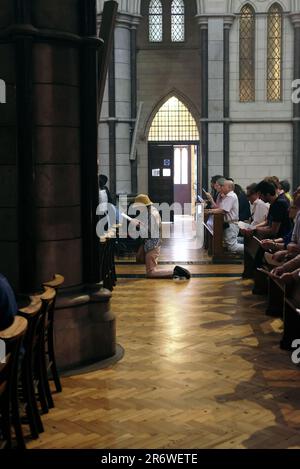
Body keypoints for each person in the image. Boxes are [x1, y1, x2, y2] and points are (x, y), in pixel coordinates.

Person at [131, 194, 191, 279]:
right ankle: (174, 271)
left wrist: (138, 225)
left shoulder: (151, 214)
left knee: (151, 272)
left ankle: (175, 271)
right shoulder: (151, 210)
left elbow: (150, 231)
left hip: (152, 245)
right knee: (146, 264)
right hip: (151, 243)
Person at [206, 180, 244, 254]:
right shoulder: (227, 196)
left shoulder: (231, 196)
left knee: (232, 247)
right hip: (228, 224)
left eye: (223, 186)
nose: (221, 187)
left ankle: (252, 248)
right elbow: (219, 208)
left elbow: (222, 210)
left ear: (229, 187)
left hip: (231, 224)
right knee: (229, 245)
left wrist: (209, 211)